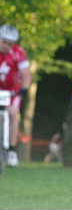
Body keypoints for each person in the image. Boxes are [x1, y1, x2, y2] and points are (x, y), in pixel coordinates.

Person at [0, 24, 32, 167]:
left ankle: (12, 151)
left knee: (13, 114)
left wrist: (24, 88)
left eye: (10, 43)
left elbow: (26, 74)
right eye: (4, 41)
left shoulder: (18, 53)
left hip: (12, 90)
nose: (7, 45)